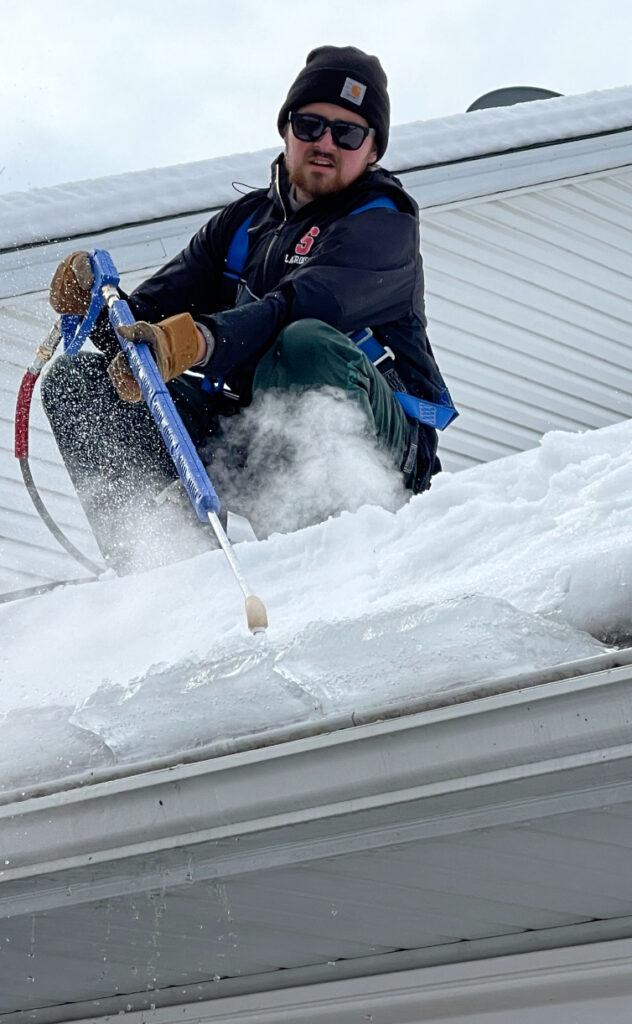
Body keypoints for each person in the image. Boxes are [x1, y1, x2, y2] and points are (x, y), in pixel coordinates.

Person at [43, 45, 454, 572]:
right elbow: (144, 322)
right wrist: (99, 308)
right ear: (286, 130)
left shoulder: (384, 224)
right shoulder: (243, 224)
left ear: (373, 150)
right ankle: (164, 563)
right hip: (257, 434)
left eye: (347, 133)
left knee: (302, 342)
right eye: (310, 125)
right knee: (80, 381)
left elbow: (302, 306)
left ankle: (330, 564)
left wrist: (202, 341)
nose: (325, 142)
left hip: (374, 448)